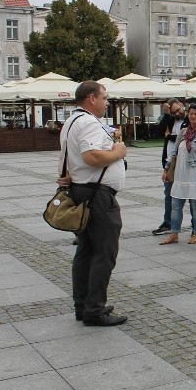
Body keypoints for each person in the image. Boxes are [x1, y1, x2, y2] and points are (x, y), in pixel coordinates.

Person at [58, 81, 127, 326]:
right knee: (104, 253)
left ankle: (84, 304)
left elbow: (70, 158)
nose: (107, 102)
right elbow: (92, 156)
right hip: (98, 196)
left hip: (84, 191)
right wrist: (119, 151)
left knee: (86, 251)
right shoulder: (88, 122)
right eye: (104, 97)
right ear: (91, 99)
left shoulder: (71, 121)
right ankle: (94, 309)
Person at [159, 104, 196, 245]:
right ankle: (174, 233)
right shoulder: (183, 132)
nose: (193, 116)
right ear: (188, 115)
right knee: (176, 205)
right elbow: (174, 153)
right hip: (180, 173)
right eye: (191, 114)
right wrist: (167, 169)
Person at [152, 98, 189, 236]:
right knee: (168, 195)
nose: (177, 113)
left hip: (185, 164)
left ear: (182, 105)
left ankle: (195, 224)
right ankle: (167, 223)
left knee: (190, 195)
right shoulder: (171, 120)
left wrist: (170, 137)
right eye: (174, 112)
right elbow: (158, 132)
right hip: (169, 163)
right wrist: (167, 115)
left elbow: (184, 138)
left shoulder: (189, 119)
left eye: (178, 110)